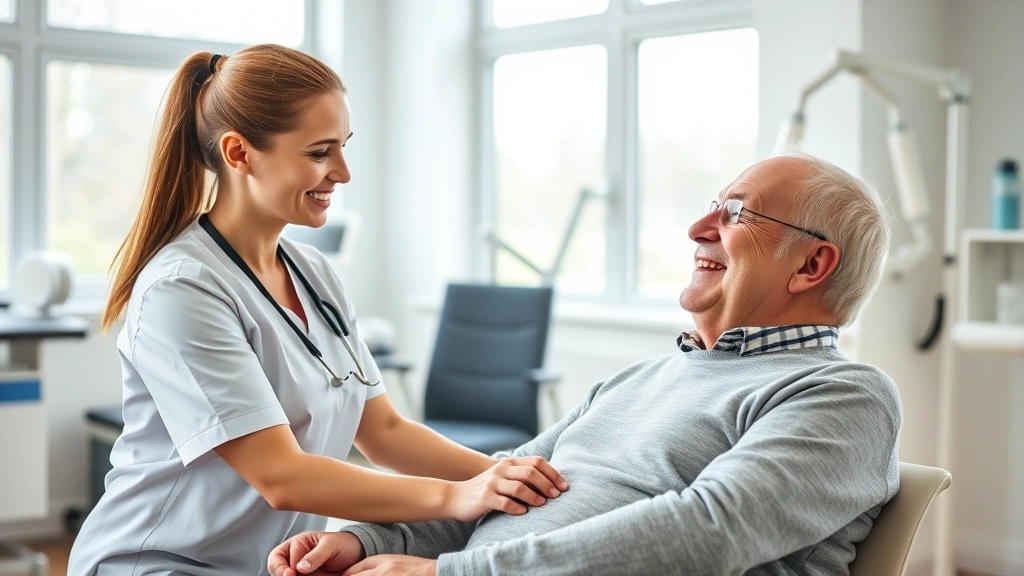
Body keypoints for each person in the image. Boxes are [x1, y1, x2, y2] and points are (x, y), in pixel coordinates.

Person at [268, 152, 902, 576]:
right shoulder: (640, 379)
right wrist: (363, 543)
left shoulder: (843, 396)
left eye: (735, 213)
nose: (697, 227)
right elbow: (501, 492)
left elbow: (711, 532)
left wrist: (449, 573)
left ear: (811, 266)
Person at [67, 44, 568, 576]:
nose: (344, 173)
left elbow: (384, 433)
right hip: (155, 562)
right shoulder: (181, 288)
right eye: (320, 152)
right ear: (239, 154)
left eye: (344, 147)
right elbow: (281, 476)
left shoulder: (314, 273)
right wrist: (456, 498)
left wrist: (512, 475)